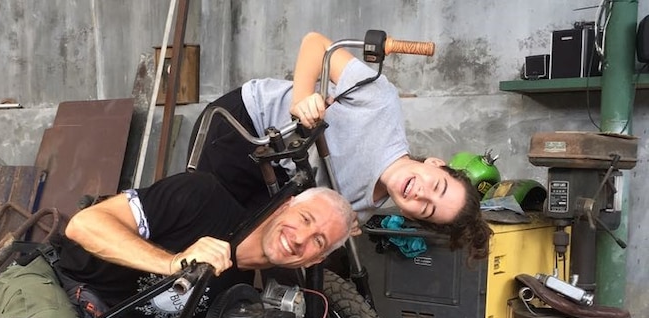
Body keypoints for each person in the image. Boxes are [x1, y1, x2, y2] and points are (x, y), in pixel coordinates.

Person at [189, 31, 491, 260]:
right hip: (244, 126)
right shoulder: (380, 103)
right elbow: (316, 44)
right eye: (436, 186)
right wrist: (301, 101)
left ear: (412, 217)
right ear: (435, 164)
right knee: (203, 226)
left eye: (426, 209)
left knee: (243, 252)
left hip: (279, 178)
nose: (421, 194)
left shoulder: (360, 210)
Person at [0, 171, 355, 318]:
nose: (301, 238)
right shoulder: (201, 197)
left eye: (318, 241)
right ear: (284, 206)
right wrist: (172, 263)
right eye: (304, 219)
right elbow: (84, 224)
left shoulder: (237, 291)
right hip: (52, 280)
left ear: (311, 262)